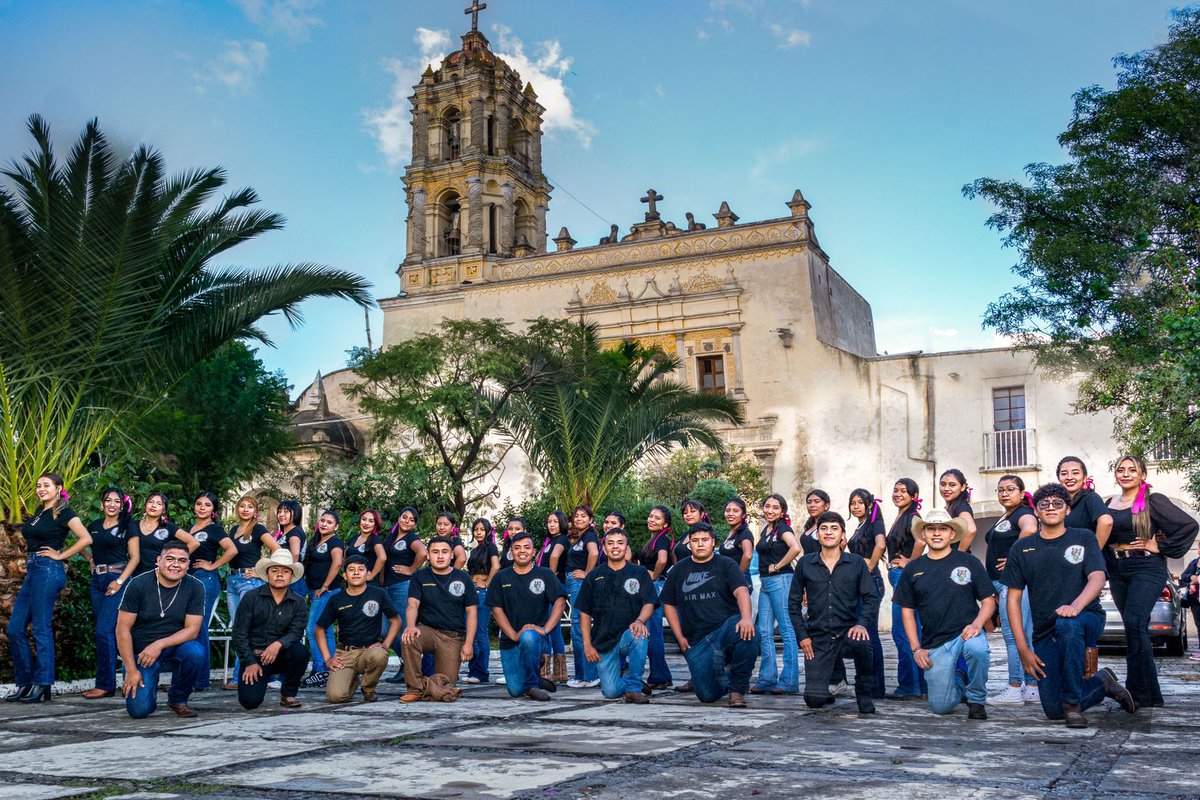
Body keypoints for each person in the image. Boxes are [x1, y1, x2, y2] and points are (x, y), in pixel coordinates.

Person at [1003, 483, 1136, 728]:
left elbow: (1097, 577)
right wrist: (1023, 648)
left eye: (1058, 503)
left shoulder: (1083, 537)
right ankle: (1102, 682)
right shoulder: (1021, 548)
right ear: (1036, 511)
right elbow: (1013, 598)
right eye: (1044, 504)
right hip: (1045, 631)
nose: (1051, 507)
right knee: (1054, 710)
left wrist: (1075, 606)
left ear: (1067, 510)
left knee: (1068, 624)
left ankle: (1074, 705)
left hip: (1087, 617)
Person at [1106, 455, 1198, 707]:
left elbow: (1189, 526)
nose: (1126, 474)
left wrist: (1158, 545)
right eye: (1121, 469)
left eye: (1132, 470)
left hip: (1146, 567)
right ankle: (1151, 695)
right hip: (1117, 569)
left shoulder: (1152, 500)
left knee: (1135, 623)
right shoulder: (1109, 503)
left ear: (1143, 475)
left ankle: (1137, 693)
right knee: (1134, 629)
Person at [893, 508, 996, 719]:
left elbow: (988, 601)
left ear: (952, 533)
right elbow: (907, 611)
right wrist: (916, 648)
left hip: (967, 633)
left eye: (943, 529)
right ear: (923, 534)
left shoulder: (969, 562)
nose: (937, 533)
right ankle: (960, 678)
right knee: (941, 706)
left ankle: (976, 700)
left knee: (977, 650)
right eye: (931, 528)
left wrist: (977, 624)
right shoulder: (913, 568)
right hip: (935, 642)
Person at [6, 473, 92, 703]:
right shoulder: (39, 512)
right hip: (33, 570)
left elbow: (85, 538)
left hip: (48, 570)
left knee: (40, 628)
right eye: (38, 486)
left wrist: (61, 555)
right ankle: (25, 684)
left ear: (58, 488)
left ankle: (43, 683)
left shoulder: (65, 512)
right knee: (15, 628)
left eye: (46, 485)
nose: (41, 489)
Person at [789, 511, 879, 714]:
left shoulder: (856, 563)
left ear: (842, 535)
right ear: (817, 534)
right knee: (814, 700)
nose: (828, 532)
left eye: (834, 528)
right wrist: (802, 636)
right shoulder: (805, 564)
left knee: (862, 642)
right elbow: (793, 604)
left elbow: (872, 598)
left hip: (847, 632)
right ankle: (835, 680)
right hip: (818, 637)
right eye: (824, 528)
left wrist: (862, 624)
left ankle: (864, 692)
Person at [661, 524, 758, 707]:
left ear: (713, 542)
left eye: (705, 540)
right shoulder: (678, 570)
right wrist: (679, 636)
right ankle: (725, 674)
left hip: (725, 629)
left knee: (750, 633)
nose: (700, 544)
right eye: (695, 540)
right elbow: (669, 604)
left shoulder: (726, 564)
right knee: (707, 695)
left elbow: (742, 591)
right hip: (698, 640)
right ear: (689, 544)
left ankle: (737, 690)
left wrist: (746, 618)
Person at [116, 540, 206, 718]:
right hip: (142, 655)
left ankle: (178, 699)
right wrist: (131, 669)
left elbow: (192, 630)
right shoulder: (138, 584)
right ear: (158, 560)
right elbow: (122, 629)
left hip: (175, 649)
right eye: (170, 559)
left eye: (182, 561)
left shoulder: (195, 587)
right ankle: (148, 692)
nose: (175, 564)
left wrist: (159, 644)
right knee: (139, 711)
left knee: (196, 652)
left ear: (188, 564)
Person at [577, 527, 657, 704]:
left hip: (628, 634)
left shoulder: (639, 573)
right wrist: (587, 644)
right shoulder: (594, 576)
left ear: (627, 548)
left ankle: (634, 688)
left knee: (639, 634)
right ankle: (631, 682)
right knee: (611, 692)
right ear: (604, 549)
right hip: (603, 639)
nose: (615, 547)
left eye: (620, 543)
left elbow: (649, 603)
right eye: (610, 543)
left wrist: (640, 620)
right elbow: (584, 612)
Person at [489, 531, 566, 701]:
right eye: (517, 548)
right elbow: (497, 610)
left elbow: (560, 602)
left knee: (528, 635)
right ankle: (536, 677)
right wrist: (513, 635)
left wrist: (545, 630)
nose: (522, 551)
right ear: (511, 552)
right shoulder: (501, 577)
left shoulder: (545, 574)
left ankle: (532, 684)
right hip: (510, 641)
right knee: (516, 690)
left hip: (536, 639)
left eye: (526, 547)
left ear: (534, 551)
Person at [399, 536, 479, 702]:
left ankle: (426, 685)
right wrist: (411, 625)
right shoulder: (419, 577)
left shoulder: (463, 578)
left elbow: (472, 612)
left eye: (444, 552)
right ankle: (415, 688)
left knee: (446, 689)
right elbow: (412, 604)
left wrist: (468, 643)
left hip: (452, 637)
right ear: (428, 555)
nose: (440, 556)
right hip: (427, 631)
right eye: (435, 552)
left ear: (452, 555)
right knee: (409, 637)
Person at [315, 555, 402, 704]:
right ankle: (352, 678)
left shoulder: (379, 594)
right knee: (336, 697)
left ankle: (368, 688)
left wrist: (385, 645)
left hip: (369, 651)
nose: (356, 573)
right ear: (345, 575)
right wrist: (328, 658)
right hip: (345, 654)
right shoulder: (336, 599)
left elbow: (396, 621)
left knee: (379, 655)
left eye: (361, 569)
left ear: (368, 574)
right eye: (351, 570)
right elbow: (319, 630)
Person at [984, 475, 1039, 706]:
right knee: (1022, 634)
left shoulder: (1023, 513)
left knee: (1013, 635)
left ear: (1022, 493)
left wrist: (1014, 556)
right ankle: (1032, 688)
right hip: (1002, 584)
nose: (1004, 493)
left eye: (1010, 489)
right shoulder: (1007, 515)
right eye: (1000, 490)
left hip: (1013, 583)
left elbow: (1031, 528)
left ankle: (1015, 687)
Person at [231, 549, 309, 710]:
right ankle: (261, 679)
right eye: (274, 570)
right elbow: (239, 632)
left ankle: (288, 694)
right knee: (250, 702)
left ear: (291, 576)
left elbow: (296, 632)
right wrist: (249, 662)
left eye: (285, 571)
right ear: (267, 574)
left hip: (282, 655)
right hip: (256, 657)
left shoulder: (298, 602)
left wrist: (278, 644)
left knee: (300, 652)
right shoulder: (251, 597)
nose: (280, 575)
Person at [82, 486, 140, 700]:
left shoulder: (128, 525)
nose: (112, 504)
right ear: (102, 503)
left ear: (122, 505)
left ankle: (105, 685)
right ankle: (109, 681)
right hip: (97, 581)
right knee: (104, 631)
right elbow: (80, 541)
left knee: (103, 630)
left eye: (117, 501)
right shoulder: (95, 526)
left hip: (117, 579)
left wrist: (119, 581)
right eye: (108, 500)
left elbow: (135, 558)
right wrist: (90, 559)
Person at [222, 495, 278, 690]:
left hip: (249, 581)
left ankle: (243, 677)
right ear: (237, 509)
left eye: (250, 507)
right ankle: (250, 675)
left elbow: (276, 549)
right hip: (232, 581)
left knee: (249, 628)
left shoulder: (258, 529)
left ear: (255, 512)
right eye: (242, 506)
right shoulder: (233, 531)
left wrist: (262, 573)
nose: (245, 509)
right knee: (238, 628)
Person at [187, 491, 235, 691]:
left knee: (199, 627)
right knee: (188, 628)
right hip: (188, 580)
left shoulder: (214, 529)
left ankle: (200, 680)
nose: (202, 507)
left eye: (207, 505)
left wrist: (213, 565)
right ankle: (189, 677)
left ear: (213, 509)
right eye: (199, 503)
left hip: (205, 579)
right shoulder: (189, 529)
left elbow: (232, 549)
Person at [753, 494, 800, 695]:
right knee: (764, 630)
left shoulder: (783, 529)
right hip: (765, 582)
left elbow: (796, 548)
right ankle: (767, 678)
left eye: (775, 507)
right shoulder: (767, 529)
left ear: (782, 511)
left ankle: (789, 681)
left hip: (781, 580)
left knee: (787, 630)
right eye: (767, 506)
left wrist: (778, 565)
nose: (770, 510)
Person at [885, 478, 926, 700]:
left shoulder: (912, 516)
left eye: (903, 490)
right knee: (912, 632)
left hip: (904, 577)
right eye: (895, 490)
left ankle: (909, 686)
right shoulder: (902, 516)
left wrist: (910, 562)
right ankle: (920, 686)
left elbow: (921, 541)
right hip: (899, 576)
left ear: (914, 495)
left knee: (902, 632)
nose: (898, 493)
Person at [846, 488, 887, 698]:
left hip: (870, 582)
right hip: (858, 583)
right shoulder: (860, 526)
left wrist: (869, 566)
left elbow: (881, 545)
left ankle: (876, 686)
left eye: (860, 502)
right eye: (853, 503)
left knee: (869, 634)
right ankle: (868, 683)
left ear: (869, 504)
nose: (856, 506)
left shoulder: (874, 524)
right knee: (863, 634)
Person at [380, 507, 427, 684]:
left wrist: (411, 569)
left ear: (414, 524)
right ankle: (407, 663)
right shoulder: (391, 538)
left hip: (402, 586)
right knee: (384, 630)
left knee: (403, 629)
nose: (407, 521)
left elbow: (423, 553)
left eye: (411, 519)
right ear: (399, 518)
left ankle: (410, 668)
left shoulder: (411, 538)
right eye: (404, 517)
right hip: (386, 588)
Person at [300, 510, 345, 689]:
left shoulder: (335, 541)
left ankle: (320, 670)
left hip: (327, 591)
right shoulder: (317, 540)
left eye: (329, 522)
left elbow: (337, 563)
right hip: (315, 591)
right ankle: (329, 669)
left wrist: (325, 585)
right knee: (325, 631)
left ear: (336, 527)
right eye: (323, 521)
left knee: (313, 629)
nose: (324, 524)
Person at [635, 505, 674, 691]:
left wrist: (654, 576)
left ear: (665, 524)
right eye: (651, 516)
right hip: (652, 587)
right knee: (653, 632)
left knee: (653, 633)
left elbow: (663, 560)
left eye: (657, 518)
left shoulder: (662, 539)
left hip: (655, 587)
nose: (652, 520)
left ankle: (658, 676)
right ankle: (663, 675)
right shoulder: (654, 539)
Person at [564, 504, 600, 688]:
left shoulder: (589, 536)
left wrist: (588, 574)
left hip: (580, 582)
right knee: (577, 626)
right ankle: (582, 674)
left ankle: (588, 675)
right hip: (574, 582)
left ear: (590, 520)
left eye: (583, 516)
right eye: (576, 516)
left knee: (579, 627)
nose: (579, 519)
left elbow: (594, 553)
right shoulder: (580, 537)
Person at [465, 518, 499, 684]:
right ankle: (474, 670)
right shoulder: (474, 550)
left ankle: (481, 672)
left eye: (481, 529)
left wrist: (487, 583)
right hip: (472, 590)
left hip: (483, 591)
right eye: (475, 529)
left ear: (488, 531)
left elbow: (496, 566)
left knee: (480, 632)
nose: (478, 532)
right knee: (471, 631)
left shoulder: (491, 547)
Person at [130, 492, 196, 577]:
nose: (153, 505)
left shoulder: (168, 527)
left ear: (164, 510)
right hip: (134, 574)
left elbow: (194, 543)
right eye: (151, 502)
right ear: (145, 505)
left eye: (159, 504)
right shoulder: (133, 525)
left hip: (159, 574)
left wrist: (174, 560)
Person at [538, 511, 570, 683]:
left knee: (548, 627)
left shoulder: (562, 539)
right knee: (554, 628)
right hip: (550, 587)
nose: (551, 524)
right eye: (549, 521)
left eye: (555, 521)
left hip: (555, 587)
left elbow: (555, 556)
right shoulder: (549, 541)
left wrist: (549, 577)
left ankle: (547, 670)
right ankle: (559, 672)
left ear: (562, 523)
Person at [1057, 456, 1114, 546]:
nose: (1069, 477)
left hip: (1086, 553)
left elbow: (1106, 522)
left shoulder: (1091, 498)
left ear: (1084, 478)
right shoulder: (1057, 503)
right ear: (1059, 478)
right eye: (1064, 474)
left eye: (1075, 473)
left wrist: (1094, 550)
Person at [939, 469, 978, 552]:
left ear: (962, 487)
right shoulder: (950, 507)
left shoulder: (961, 506)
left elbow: (971, 529)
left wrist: (958, 555)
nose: (946, 488)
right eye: (943, 484)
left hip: (957, 558)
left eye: (952, 485)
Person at [347, 509, 387, 582]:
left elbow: (382, 557)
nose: (366, 523)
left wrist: (371, 576)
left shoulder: (375, 539)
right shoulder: (354, 538)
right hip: (353, 582)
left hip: (368, 584)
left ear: (375, 525)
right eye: (364, 519)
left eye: (371, 521)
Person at [673, 499, 707, 564]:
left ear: (702, 514)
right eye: (685, 513)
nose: (688, 515)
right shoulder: (685, 535)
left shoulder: (705, 534)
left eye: (692, 511)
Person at [799, 489, 831, 556]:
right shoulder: (810, 525)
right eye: (809, 502)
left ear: (826, 506)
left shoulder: (830, 524)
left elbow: (842, 543)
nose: (812, 505)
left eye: (817, 501)